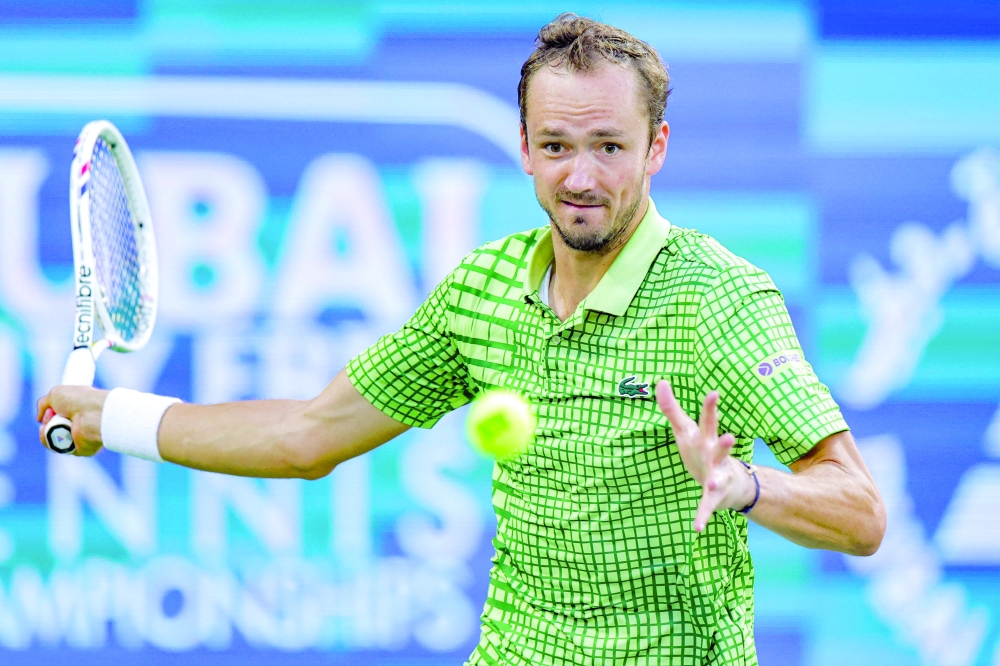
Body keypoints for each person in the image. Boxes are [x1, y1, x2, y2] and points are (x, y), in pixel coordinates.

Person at [39, 13, 885, 665]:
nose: (580, 177)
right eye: (555, 146)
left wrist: (744, 487)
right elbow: (305, 437)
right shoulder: (480, 289)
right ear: (523, 146)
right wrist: (114, 419)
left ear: (656, 147)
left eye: (609, 147)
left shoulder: (719, 300)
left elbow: (862, 515)